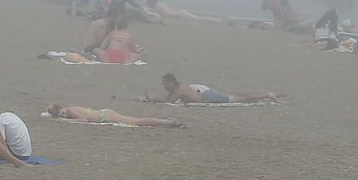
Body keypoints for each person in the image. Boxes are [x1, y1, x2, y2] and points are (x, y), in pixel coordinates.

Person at [150, 73, 281, 104]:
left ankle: (267, 95)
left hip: (208, 96)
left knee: (237, 98)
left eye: (165, 84)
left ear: (172, 83)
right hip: (204, 91)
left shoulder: (179, 89)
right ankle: (263, 94)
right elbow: (166, 97)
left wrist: (154, 100)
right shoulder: (178, 88)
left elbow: (169, 101)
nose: (164, 87)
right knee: (237, 95)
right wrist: (151, 98)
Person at [41, 104, 181, 127]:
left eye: (63, 113)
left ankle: (167, 122)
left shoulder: (70, 109)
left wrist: (65, 121)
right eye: (62, 115)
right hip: (104, 114)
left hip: (105, 116)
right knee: (136, 121)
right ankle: (165, 121)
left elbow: (83, 120)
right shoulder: (70, 111)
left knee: (137, 122)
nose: (64, 115)